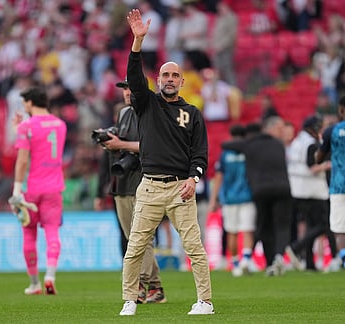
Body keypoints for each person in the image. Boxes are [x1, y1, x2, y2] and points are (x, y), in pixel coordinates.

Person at [119, 9, 213, 317]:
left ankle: (205, 302)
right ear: (157, 81)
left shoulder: (193, 114)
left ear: (182, 81)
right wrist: (138, 41)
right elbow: (134, 76)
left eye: (174, 75)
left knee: (195, 249)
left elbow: (200, 153)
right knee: (134, 248)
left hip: (180, 189)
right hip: (149, 187)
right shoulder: (147, 104)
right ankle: (130, 299)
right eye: (165, 75)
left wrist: (193, 178)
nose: (169, 79)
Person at [98, 79, 166, 304]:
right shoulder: (124, 113)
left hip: (144, 181)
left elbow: (155, 147)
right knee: (133, 238)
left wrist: (121, 145)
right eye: (125, 89)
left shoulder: (153, 112)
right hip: (122, 183)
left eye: (130, 87)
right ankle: (155, 287)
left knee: (141, 237)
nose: (127, 92)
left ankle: (140, 284)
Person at [9, 87, 67, 295]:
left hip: (31, 188)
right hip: (54, 187)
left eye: (25, 103)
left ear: (31, 103)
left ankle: (34, 283)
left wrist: (16, 190)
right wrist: (20, 130)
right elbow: (44, 143)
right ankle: (50, 276)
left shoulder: (27, 126)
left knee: (29, 233)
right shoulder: (60, 125)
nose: (24, 107)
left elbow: (23, 159)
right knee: (52, 232)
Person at [222, 118, 293, 276]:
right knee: (282, 226)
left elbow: (226, 145)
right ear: (269, 129)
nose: (282, 131)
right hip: (282, 188)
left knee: (264, 226)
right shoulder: (278, 144)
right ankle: (279, 256)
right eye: (279, 128)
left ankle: (267, 262)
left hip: (260, 191)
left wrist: (247, 143)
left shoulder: (250, 144)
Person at [286, 115, 335, 271]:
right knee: (323, 225)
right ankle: (295, 247)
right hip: (313, 190)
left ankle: (309, 263)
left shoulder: (298, 141)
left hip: (299, 190)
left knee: (311, 226)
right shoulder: (311, 144)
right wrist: (328, 165)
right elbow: (311, 166)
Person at [209, 124, 256, 277]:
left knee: (232, 232)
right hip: (247, 196)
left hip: (229, 198)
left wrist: (214, 198)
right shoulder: (249, 151)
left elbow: (218, 176)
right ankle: (246, 261)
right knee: (247, 230)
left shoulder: (225, 154)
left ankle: (235, 264)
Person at [316, 96, 345, 271]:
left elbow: (318, 158)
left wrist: (323, 144)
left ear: (341, 110)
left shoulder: (331, 131)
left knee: (340, 227)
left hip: (339, 185)